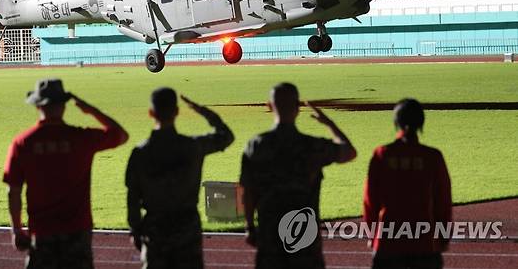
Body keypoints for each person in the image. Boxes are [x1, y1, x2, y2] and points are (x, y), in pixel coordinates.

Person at [3, 78, 128, 269]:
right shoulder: (81, 138)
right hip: (78, 231)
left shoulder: (23, 143)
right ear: (63, 106)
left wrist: (17, 230)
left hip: (42, 231)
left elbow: (13, 191)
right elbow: (120, 135)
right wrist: (90, 109)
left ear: (38, 106)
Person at [240, 82, 357, 269]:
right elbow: (349, 152)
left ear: (269, 106)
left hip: (270, 238)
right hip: (304, 241)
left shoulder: (256, 146)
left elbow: (248, 192)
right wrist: (329, 124)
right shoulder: (311, 146)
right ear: (297, 108)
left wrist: (249, 228)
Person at [126, 87, 234, 269]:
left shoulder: (140, 153)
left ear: (151, 113)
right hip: (187, 231)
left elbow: (133, 197)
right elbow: (226, 136)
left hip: (155, 231)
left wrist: (136, 231)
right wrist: (202, 110)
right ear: (176, 112)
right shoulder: (192, 146)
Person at [363, 98, 452, 269]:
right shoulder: (432, 156)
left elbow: (370, 200)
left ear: (396, 122)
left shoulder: (382, 154)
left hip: (388, 241)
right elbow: (443, 201)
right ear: (421, 122)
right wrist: (443, 237)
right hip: (425, 243)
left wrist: (371, 233)